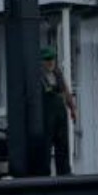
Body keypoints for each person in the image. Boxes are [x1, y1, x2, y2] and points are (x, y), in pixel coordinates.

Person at [41, 45, 77, 177]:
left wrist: (72, 108)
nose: (51, 62)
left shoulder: (57, 73)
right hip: (46, 116)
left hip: (60, 115)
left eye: (52, 59)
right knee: (45, 147)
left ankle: (64, 173)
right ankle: (44, 175)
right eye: (47, 59)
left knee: (62, 145)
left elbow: (66, 91)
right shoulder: (38, 76)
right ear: (41, 61)